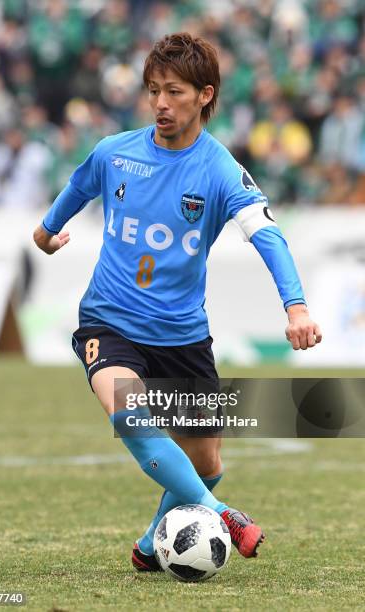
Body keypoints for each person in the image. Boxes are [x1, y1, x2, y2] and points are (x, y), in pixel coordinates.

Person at [33, 32, 322, 571]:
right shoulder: (114, 153)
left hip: (183, 334)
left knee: (207, 460)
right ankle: (223, 514)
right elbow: (75, 190)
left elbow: (267, 235)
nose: (161, 104)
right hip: (108, 320)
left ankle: (150, 548)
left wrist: (297, 306)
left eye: (175, 92)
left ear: (206, 95)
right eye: (153, 91)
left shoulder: (219, 169)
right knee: (134, 416)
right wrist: (47, 232)